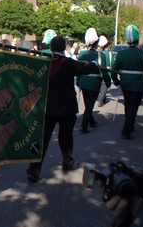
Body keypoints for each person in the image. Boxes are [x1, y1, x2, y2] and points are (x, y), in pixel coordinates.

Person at [26, 36, 100, 183]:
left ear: (52, 48)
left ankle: (34, 169)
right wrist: (93, 64)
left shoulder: (45, 62)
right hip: (66, 106)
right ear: (63, 47)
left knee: (44, 139)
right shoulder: (67, 62)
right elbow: (84, 69)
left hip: (49, 106)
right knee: (65, 136)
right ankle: (67, 161)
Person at [111, 25, 143, 139]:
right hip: (138, 85)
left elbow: (114, 69)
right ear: (137, 40)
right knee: (133, 107)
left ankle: (129, 124)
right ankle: (127, 128)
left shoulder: (121, 54)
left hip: (125, 84)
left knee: (128, 104)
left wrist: (116, 81)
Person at [77, 28, 111, 134]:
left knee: (88, 104)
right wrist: (108, 81)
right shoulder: (101, 55)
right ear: (97, 43)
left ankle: (92, 121)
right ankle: (84, 125)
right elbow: (105, 72)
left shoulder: (82, 54)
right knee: (90, 105)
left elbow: (79, 69)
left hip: (83, 81)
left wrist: (78, 80)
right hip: (94, 82)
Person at [98, 35, 111, 106]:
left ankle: (102, 98)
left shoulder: (99, 52)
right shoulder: (108, 53)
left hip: (100, 70)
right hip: (106, 70)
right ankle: (102, 99)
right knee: (105, 85)